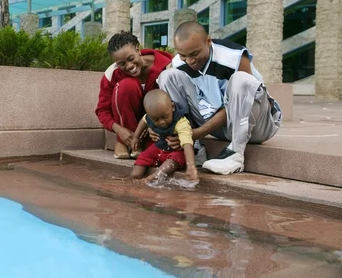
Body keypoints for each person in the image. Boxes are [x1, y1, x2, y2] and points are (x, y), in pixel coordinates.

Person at [156, 21, 282, 175]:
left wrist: (199, 132)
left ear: (208, 41)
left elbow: (242, 103)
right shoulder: (179, 63)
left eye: (195, 53)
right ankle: (194, 149)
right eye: (183, 55)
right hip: (219, 127)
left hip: (257, 124)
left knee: (241, 80)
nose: (190, 61)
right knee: (167, 76)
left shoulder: (234, 56)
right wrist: (155, 126)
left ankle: (235, 154)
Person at [95, 31, 172, 159]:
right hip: (128, 126)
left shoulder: (167, 67)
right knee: (125, 86)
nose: (129, 66)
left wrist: (155, 125)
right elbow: (102, 110)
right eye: (122, 64)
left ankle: (141, 144)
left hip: (157, 124)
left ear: (138, 49)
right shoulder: (112, 74)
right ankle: (126, 143)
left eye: (131, 58)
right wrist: (119, 130)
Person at [127, 89, 198, 183]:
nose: (161, 122)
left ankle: (151, 178)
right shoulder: (150, 116)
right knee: (143, 156)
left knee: (173, 161)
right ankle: (134, 176)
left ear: (172, 107)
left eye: (165, 117)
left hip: (176, 151)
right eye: (156, 120)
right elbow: (143, 121)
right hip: (159, 147)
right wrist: (136, 137)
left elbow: (187, 143)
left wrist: (191, 166)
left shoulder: (181, 122)